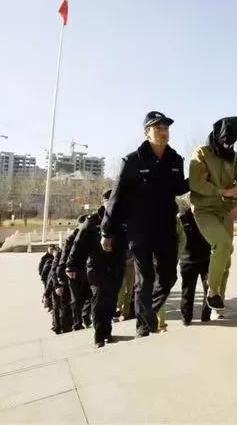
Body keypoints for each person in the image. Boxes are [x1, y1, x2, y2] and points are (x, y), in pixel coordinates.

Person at [101, 111, 189, 337]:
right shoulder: (132, 160)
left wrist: (200, 177)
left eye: (166, 128)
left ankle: (149, 312)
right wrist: (107, 231)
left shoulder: (175, 159)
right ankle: (143, 326)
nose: (163, 131)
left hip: (166, 226)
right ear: (146, 132)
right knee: (145, 277)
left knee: (169, 277)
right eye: (158, 127)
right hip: (139, 228)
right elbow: (116, 197)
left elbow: (179, 188)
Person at [189, 116, 237, 315]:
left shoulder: (235, 159)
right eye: (225, 141)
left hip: (226, 212)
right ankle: (213, 290)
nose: (227, 145)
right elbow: (196, 183)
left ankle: (217, 304)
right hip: (204, 210)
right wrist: (223, 191)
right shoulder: (201, 153)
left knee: (226, 259)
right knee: (222, 244)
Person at [67, 191, 127, 348]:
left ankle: (107, 330)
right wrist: (71, 265)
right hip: (96, 267)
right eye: (109, 201)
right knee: (99, 299)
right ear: (104, 203)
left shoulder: (122, 220)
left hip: (116, 266)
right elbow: (78, 244)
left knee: (111, 300)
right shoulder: (92, 221)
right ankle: (99, 336)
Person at [178, 207, 211, 325]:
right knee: (208, 289)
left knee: (187, 291)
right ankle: (205, 316)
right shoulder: (203, 212)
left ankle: (186, 319)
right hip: (203, 256)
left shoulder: (180, 215)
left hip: (188, 258)